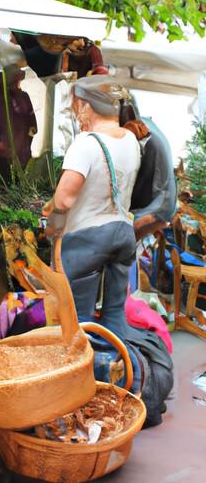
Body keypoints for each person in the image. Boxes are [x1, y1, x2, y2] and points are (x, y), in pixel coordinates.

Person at [43, 75, 140, 341]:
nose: (75, 112)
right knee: (114, 317)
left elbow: (64, 200)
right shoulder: (131, 140)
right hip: (123, 234)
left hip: (88, 238)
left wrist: (52, 223)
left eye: (76, 106)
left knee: (78, 319)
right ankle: (117, 370)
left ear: (85, 105)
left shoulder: (86, 143)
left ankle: (83, 377)